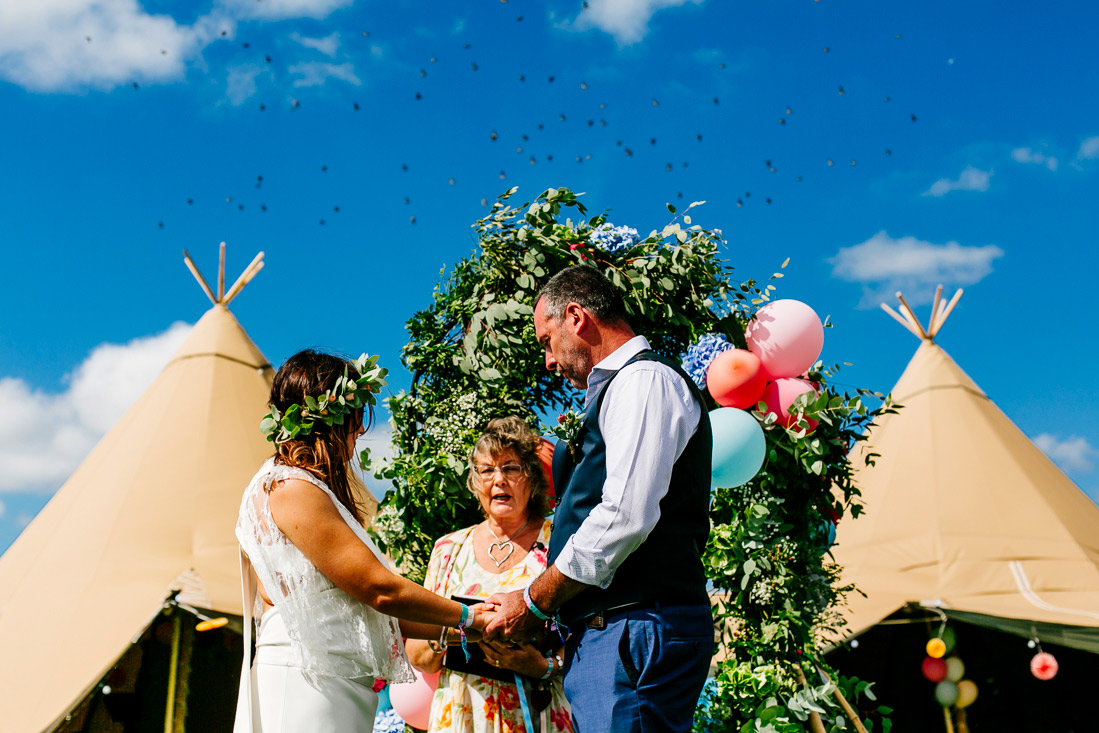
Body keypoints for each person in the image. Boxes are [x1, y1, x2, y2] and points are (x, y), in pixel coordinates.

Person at [483, 266, 714, 732]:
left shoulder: (644, 381)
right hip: (613, 633)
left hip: (634, 627)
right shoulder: (618, 389)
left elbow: (624, 516)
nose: (548, 360)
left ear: (576, 317)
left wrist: (533, 601)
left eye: (547, 341)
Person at [234, 349, 489, 733]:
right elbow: (378, 589)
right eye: (356, 419)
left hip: (328, 681)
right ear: (334, 419)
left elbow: (372, 608)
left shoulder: (290, 485)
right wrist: (469, 615)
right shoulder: (291, 488)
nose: (359, 432)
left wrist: (469, 628)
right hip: (306, 684)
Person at [405, 417, 572, 733]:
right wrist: (463, 631)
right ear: (474, 481)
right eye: (486, 470)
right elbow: (418, 654)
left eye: (511, 468)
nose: (499, 480)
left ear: (532, 478)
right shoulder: (448, 549)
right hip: (460, 716)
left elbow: (588, 635)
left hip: (538, 715)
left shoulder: (561, 542)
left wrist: (544, 667)